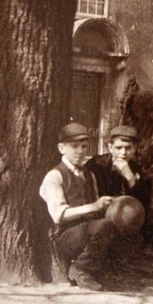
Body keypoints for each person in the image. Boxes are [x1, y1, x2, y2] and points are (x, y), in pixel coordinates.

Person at [39, 122, 120, 290]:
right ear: (61, 148)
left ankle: (96, 269)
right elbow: (59, 215)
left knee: (115, 224)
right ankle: (80, 269)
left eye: (84, 146)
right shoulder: (55, 176)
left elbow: (97, 205)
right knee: (102, 227)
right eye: (74, 146)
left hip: (87, 232)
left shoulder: (89, 175)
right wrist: (94, 206)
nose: (80, 151)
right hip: (65, 234)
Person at [85, 125, 153, 287]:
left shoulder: (137, 168)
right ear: (109, 147)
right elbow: (91, 194)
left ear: (135, 148)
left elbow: (145, 202)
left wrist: (130, 177)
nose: (123, 153)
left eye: (128, 148)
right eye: (118, 148)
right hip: (104, 213)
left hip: (132, 215)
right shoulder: (97, 165)